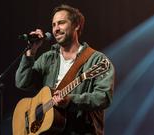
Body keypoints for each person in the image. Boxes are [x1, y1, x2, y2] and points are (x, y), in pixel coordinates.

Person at [15, 4, 115, 135]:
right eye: (54, 25)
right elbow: (22, 82)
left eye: (61, 23)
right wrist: (31, 53)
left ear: (76, 25)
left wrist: (70, 100)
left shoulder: (97, 61)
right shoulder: (48, 58)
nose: (56, 29)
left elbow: (103, 97)